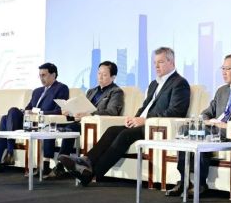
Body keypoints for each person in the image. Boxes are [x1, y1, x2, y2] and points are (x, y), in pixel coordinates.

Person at [58, 47, 190, 185]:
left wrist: (145, 120)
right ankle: (86, 160)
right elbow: (145, 107)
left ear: (171, 62)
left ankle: (92, 173)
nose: (156, 66)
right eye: (154, 62)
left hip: (156, 127)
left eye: (160, 62)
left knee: (124, 134)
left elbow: (176, 111)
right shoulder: (154, 84)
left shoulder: (180, 83)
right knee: (112, 130)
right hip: (143, 123)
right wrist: (134, 118)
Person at [165, 54, 231, 197]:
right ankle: (184, 180)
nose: (223, 72)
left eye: (227, 69)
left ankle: (200, 184)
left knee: (204, 134)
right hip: (213, 128)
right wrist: (205, 120)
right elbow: (207, 112)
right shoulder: (221, 91)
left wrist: (228, 125)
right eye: (222, 68)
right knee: (185, 130)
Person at [47, 61, 124, 179]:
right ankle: (48, 163)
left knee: (70, 128)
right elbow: (81, 107)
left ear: (113, 77)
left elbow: (112, 111)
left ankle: (60, 166)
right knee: (53, 126)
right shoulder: (91, 91)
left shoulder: (116, 91)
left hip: (94, 125)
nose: (100, 77)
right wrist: (70, 111)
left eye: (104, 75)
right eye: (99, 73)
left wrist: (89, 114)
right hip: (81, 122)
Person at [0, 63, 69, 174]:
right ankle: (1, 159)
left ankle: (7, 153)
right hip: (29, 121)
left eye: (44, 75)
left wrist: (39, 113)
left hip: (43, 122)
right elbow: (28, 107)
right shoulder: (37, 91)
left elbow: (59, 110)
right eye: (40, 75)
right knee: (11, 112)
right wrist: (26, 111)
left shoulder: (61, 88)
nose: (41, 78)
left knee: (5, 120)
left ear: (53, 75)